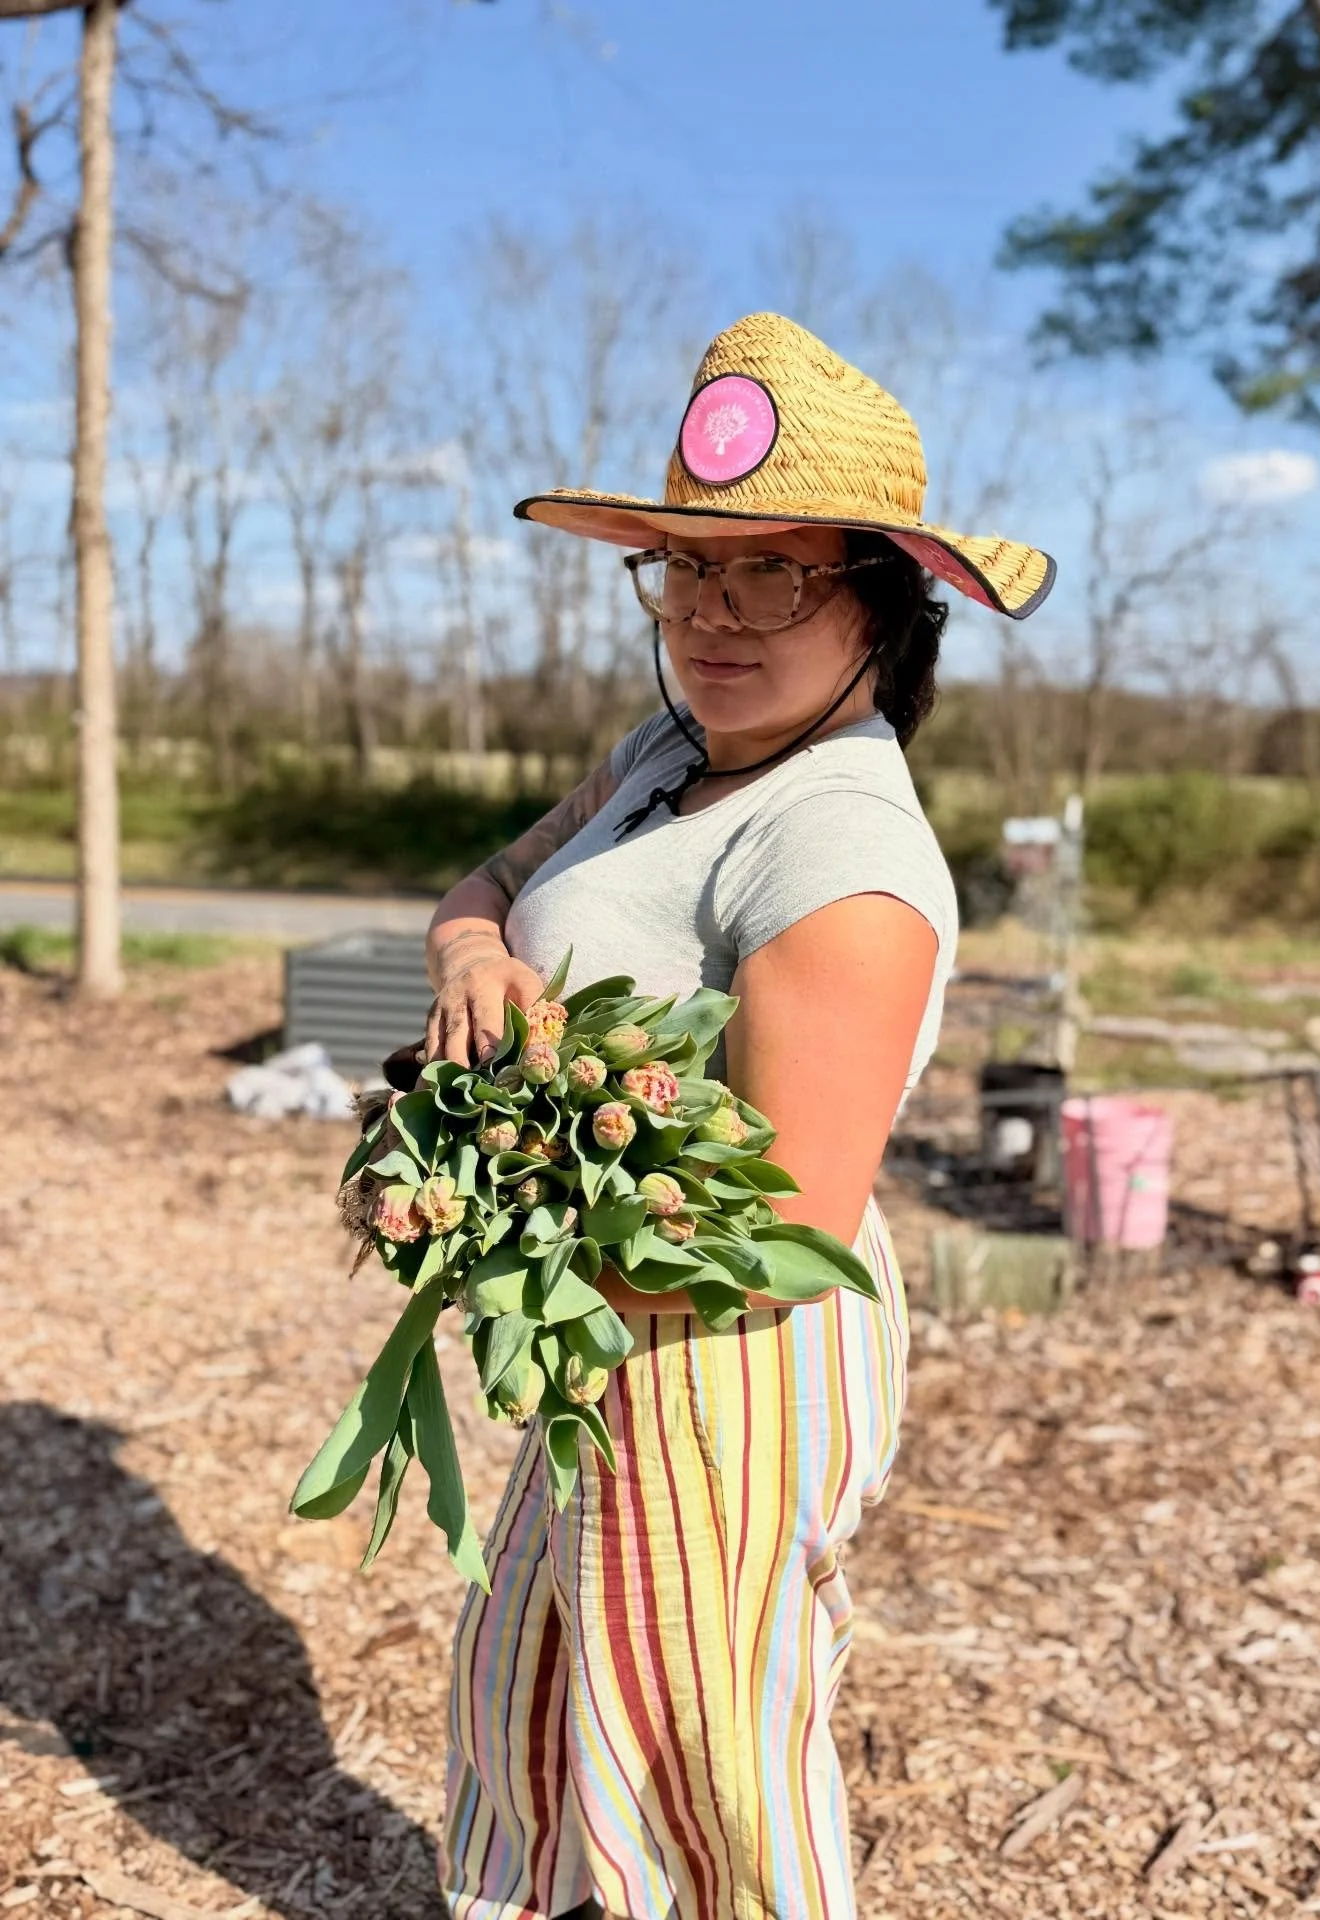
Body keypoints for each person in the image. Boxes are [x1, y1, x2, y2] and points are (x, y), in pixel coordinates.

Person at [425, 312, 1054, 1920]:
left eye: (774, 574)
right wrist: (475, 961)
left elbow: (767, 1231)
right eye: (688, 570)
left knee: (701, 1775)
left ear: (883, 602)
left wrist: (493, 1221)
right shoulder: (671, 755)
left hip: (723, 1360)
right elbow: (486, 883)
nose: (714, 612)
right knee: (534, 1701)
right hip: (604, 1328)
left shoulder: (837, 845)